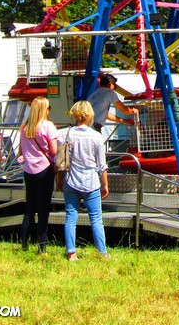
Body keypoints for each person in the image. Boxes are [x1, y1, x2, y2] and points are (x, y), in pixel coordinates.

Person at [59, 100, 110, 261]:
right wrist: (105, 184)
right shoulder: (96, 136)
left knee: (71, 218)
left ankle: (71, 252)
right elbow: (102, 165)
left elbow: (59, 160)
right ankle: (102, 253)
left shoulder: (65, 134)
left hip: (71, 180)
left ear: (74, 114)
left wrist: (59, 180)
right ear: (90, 115)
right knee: (96, 219)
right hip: (91, 182)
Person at [17, 96, 58, 254]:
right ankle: (42, 246)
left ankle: (24, 244)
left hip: (28, 170)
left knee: (29, 208)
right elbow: (54, 151)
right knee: (43, 209)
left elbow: (21, 151)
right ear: (44, 109)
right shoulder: (48, 126)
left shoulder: (25, 127)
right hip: (45, 169)